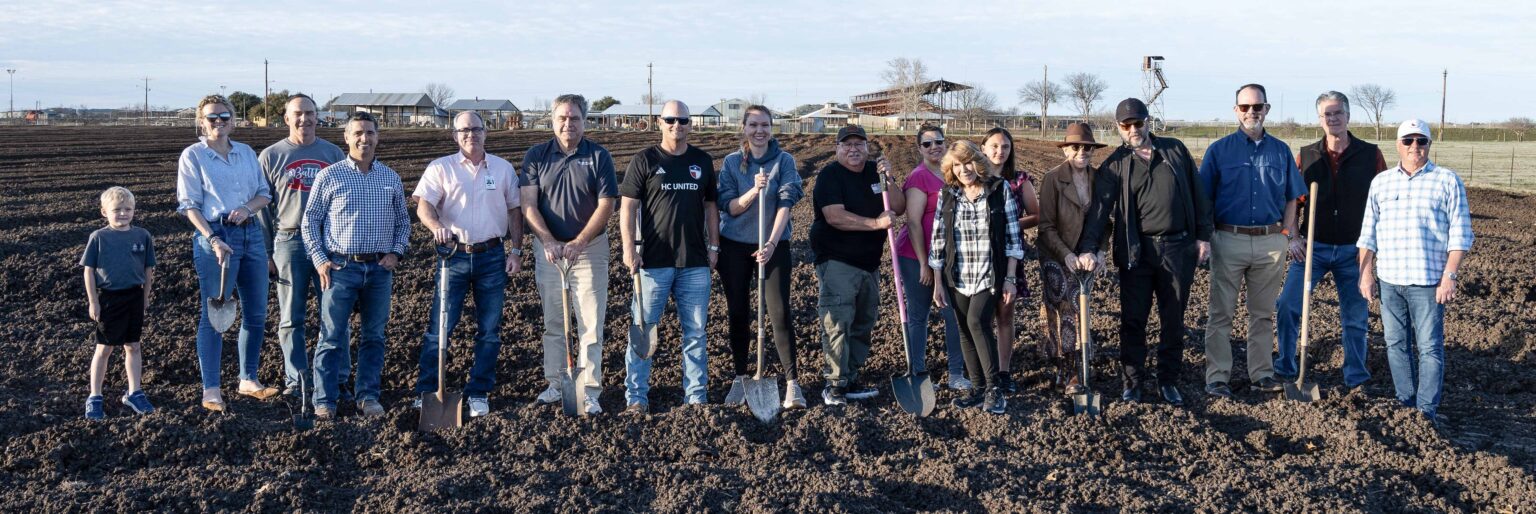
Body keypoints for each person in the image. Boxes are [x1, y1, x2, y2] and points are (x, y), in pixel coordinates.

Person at [1078, 98, 1213, 406]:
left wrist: (1204, 236)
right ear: (1118, 128)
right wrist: (1089, 248)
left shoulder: (1175, 150)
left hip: (1178, 248)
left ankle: (1168, 381)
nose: (1133, 130)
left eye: (1138, 123)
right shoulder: (1114, 165)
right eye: (1126, 126)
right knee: (1133, 320)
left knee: (1173, 318)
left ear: (1148, 122)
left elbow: (1199, 195)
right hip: (1136, 251)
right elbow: (1100, 211)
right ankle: (1133, 383)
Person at [1358, 119, 1473, 424]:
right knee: (1395, 345)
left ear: (1429, 145)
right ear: (1397, 145)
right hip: (1390, 280)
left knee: (1429, 348)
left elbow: (1461, 234)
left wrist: (1450, 276)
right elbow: (1368, 234)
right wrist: (1366, 273)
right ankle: (1405, 405)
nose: (1414, 147)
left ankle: (1426, 411)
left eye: (1421, 141)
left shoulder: (1447, 181)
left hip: (1428, 281)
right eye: (1408, 141)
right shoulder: (1381, 182)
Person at [411, 111, 524, 418]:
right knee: (440, 327)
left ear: (486, 133)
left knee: (489, 329)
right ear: (455, 135)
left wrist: (516, 250)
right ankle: (428, 390)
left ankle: (478, 391)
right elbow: (424, 206)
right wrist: (436, 227)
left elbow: (515, 211)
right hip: (453, 256)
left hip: (492, 256)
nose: (470, 135)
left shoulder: (501, 169)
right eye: (463, 130)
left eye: (476, 129)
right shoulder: (441, 168)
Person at [1197, 84, 1305, 399]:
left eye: (1257, 107)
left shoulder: (1281, 151)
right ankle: (1217, 376)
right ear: (1236, 111)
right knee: (1221, 313)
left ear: (1267, 109)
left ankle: (1262, 374)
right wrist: (1206, 236)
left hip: (1271, 243)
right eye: (1245, 107)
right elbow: (1205, 198)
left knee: (1262, 313)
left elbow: (1291, 198)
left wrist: (1286, 234)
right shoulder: (1219, 150)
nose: (1251, 113)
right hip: (1228, 239)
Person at [301, 112, 411, 419]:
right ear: (347, 138)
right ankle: (325, 400)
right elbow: (310, 223)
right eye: (358, 133)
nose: (365, 138)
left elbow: (403, 222)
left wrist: (396, 253)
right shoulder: (330, 176)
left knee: (374, 336)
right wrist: (321, 260)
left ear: (378, 137)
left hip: (378, 269)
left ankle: (368, 396)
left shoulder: (390, 177)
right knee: (332, 336)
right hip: (341, 267)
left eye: (370, 133)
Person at [1274, 91, 1386, 388]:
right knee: (1288, 305)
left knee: (1355, 316)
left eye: (1338, 113)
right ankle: (1285, 367)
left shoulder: (1369, 155)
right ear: (1320, 119)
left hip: (1355, 250)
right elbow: (1292, 202)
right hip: (1314, 248)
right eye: (1327, 114)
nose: (1333, 118)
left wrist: (1372, 252)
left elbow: (1383, 203)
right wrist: (1293, 237)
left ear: (1348, 116)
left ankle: (1356, 377)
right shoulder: (1307, 154)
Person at [176, 94, 276, 412]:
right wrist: (213, 239)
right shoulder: (193, 156)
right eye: (211, 118)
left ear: (233, 120)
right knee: (215, 314)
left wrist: (247, 209)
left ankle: (248, 379)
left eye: (224, 117)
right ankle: (211, 389)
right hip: (216, 238)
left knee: (256, 312)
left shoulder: (246, 153)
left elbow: (264, 194)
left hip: (251, 235)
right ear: (201, 122)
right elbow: (189, 205)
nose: (218, 123)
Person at [618, 100, 720, 414]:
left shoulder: (702, 161)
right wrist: (627, 248)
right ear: (660, 122)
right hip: (652, 263)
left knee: (695, 333)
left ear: (691, 124)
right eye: (670, 119)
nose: (677, 125)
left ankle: (695, 398)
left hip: (694, 262)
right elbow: (628, 206)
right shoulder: (645, 159)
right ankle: (636, 398)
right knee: (643, 329)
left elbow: (711, 207)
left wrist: (714, 246)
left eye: (683, 120)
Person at [521, 94, 618, 415]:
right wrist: (547, 240)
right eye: (562, 118)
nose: (568, 124)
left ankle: (590, 390)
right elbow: (528, 206)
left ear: (584, 122)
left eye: (574, 118)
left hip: (589, 250)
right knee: (553, 321)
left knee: (590, 323)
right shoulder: (536, 156)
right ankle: (556, 383)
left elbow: (607, 204)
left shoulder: (599, 156)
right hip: (549, 251)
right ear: (553, 120)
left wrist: (579, 241)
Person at [716, 105, 807, 409]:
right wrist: (753, 192)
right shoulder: (731, 163)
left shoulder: (784, 161)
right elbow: (729, 207)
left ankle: (792, 384)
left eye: (765, 125)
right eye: (753, 125)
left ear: (771, 128)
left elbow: (786, 203)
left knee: (779, 312)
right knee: (738, 312)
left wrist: (769, 243)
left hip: (773, 245)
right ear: (744, 128)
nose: (759, 131)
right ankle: (741, 377)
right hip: (735, 245)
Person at [258, 93, 348, 399]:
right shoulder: (271, 156)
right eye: (298, 113)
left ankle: (338, 377)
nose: (304, 119)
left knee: (335, 314)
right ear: (286, 118)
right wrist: (268, 251)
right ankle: (297, 380)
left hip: (330, 241)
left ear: (317, 116)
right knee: (291, 317)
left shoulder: (333, 153)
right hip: (290, 240)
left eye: (310, 113)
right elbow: (262, 210)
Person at [928, 141, 1025, 414]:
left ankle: (995, 389)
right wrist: (937, 281)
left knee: (977, 321)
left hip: (988, 274)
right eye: (956, 165)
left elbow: (1013, 236)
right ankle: (978, 388)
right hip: (957, 274)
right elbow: (938, 239)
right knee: (963, 329)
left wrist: (1009, 278)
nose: (963, 169)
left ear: (977, 162)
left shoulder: (997, 189)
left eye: (967, 162)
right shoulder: (947, 194)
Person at [809, 124, 903, 405]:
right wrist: (875, 223)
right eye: (846, 144)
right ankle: (835, 385)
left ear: (867, 147)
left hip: (869, 263)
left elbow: (897, 206)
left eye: (858, 144)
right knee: (838, 321)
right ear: (837, 148)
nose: (853, 149)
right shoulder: (830, 175)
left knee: (863, 322)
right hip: (838, 260)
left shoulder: (875, 172)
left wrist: (889, 178)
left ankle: (850, 378)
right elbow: (834, 216)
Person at [1036, 123, 1112, 395]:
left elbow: (1105, 222)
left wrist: (1101, 251)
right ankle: (1068, 371)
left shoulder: (1099, 179)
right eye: (1076, 147)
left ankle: (1072, 368)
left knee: (1081, 309)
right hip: (1056, 253)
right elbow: (1045, 226)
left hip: (1086, 254)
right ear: (1066, 149)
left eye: (1087, 147)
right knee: (1064, 309)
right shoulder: (1053, 179)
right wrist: (1066, 254)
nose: (1082, 152)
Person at [895, 125, 968, 390]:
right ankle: (919, 373)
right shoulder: (919, 177)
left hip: (950, 258)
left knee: (953, 315)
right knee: (919, 314)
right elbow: (913, 222)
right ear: (919, 149)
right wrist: (924, 263)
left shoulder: (955, 174)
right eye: (927, 144)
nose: (934, 147)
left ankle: (956, 373)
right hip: (916, 256)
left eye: (938, 141)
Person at [81, 186, 157, 419]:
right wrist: (93, 301)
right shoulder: (99, 237)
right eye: (117, 209)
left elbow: (148, 269)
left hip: (134, 296)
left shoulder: (142, 235)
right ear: (104, 212)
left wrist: (144, 298)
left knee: (133, 345)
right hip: (109, 299)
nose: (123, 213)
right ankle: (95, 396)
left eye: (128, 209)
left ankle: (134, 392)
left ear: (134, 210)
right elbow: (89, 271)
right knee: (104, 348)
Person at [980, 127, 1040, 394]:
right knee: (979, 316)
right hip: (979, 256)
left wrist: (1010, 223)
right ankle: (983, 370)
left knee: (1005, 314)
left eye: (1005, 147)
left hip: (1010, 256)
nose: (999, 151)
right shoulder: (973, 179)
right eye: (994, 146)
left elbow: (1037, 215)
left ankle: (1004, 371)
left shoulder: (1018, 180)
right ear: (983, 148)